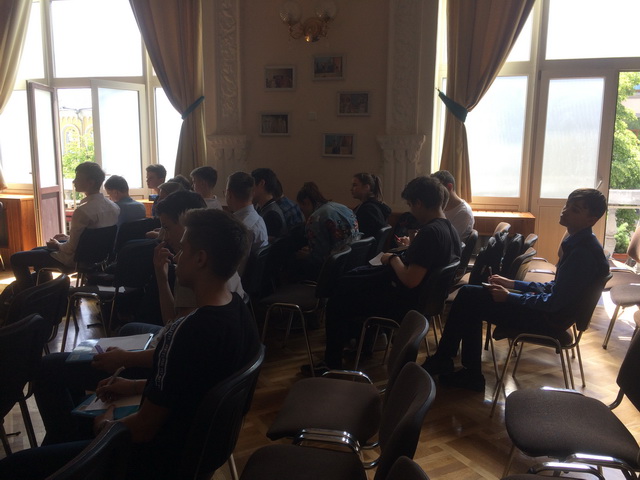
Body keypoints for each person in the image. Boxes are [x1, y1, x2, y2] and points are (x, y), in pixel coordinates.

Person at [0, 209, 261, 480]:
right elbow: (188, 387)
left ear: (200, 258)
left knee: (13, 468)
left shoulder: (190, 332)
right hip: (195, 453)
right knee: (66, 431)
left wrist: (105, 425)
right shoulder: (238, 311)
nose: (177, 256)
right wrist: (134, 386)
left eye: (183, 249)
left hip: (152, 459)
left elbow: (142, 429)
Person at [424, 188, 610, 392]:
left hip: (549, 320)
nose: (565, 210)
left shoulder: (582, 253)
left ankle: (457, 366)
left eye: (575, 210)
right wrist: (513, 284)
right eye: (567, 205)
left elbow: (553, 303)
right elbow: (554, 288)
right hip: (550, 313)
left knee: (469, 297)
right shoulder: (580, 243)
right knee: (470, 296)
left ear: (591, 220)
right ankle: (459, 366)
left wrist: (509, 297)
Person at [318, 176, 460, 372]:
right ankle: (363, 348)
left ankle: (332, 364)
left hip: (406, 304)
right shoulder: (450, 229)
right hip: (424, 302)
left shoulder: (430, 232)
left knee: (338, 297)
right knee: (352, 283)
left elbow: (411, 280)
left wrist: (392, 259)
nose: (411, 210)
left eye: (410, 204)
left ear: (419, 203)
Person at [10, 162, 119, 291]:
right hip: (96, 258)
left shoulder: (83, 211)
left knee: (16, 258)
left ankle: (27, 295)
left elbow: (70, 248)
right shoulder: (114, 207)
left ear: (90, 182)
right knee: (35, 250)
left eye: (78, 178)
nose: (74, 181)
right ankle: (44, 293)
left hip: (73, 260)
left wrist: (57, 244)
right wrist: (67, 238)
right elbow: (92, 238)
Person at [294, 182, 360, 280]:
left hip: (333, 268)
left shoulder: (315, 218)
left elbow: (318, 258)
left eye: (302, 209)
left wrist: (309, 254)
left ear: (306, 202)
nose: (303, 213)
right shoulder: (342, 207)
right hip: (353, 260)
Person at [225, 171, 268, 253]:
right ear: (252, 193)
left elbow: (235, 261)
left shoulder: (241, 229)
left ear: (229, 194)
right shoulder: (258, 218)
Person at [431, 170, 474, 241]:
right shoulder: (440, 206)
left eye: (438, 190)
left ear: (449, 187)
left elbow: (449, 241)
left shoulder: (463, 213)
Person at [351, 172, 391, 238]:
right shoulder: (376, 206)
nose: (351, 189)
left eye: (355, 185)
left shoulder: (368, 210)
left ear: (366, 187)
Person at [251, 168, 287, 239]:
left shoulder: (272, 215)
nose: (250, 189)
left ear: (261, 183)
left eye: (251, 185)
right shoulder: (262, 207)